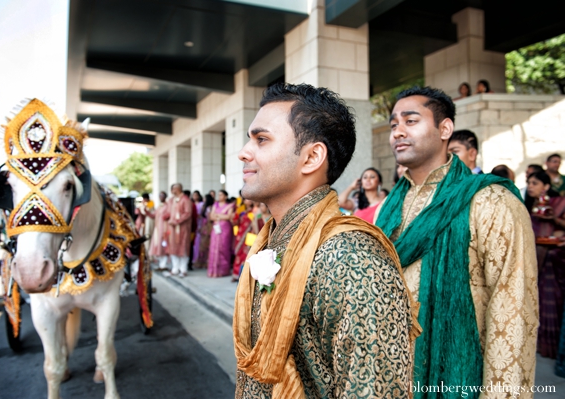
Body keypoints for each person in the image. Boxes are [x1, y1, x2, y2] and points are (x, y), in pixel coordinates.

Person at [234, 82, 416, 398]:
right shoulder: (271, 239)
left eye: (261, 139)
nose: (243, 152)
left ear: (312, 157)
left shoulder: (351, 255)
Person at [377, 86, 538, 395]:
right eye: (393, 124)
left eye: (410, 121)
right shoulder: (388, 208)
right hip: (390, 378)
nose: (397, 132)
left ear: (445, 128)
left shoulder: (490, 202)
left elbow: (513, 313)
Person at [526, 171, 565, 359]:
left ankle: (553, 347)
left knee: (552, 301)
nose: (530, 186)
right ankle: (540, 344)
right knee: (537, 302)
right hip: (535, 258)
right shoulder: (529, 205)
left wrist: (553, 220)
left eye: (535, 183)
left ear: (546, 186)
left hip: (554, 259)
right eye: (529, 182)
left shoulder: (559, 203)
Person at [231, 199, 263, 282]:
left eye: (249, 199)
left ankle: (244, 275)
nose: (247, 201)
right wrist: (236, 213)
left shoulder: (255, 210)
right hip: (240, 234)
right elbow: (235, 221)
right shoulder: (241, 210)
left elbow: (257, 222)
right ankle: (236, 274)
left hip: (249, 235)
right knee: (238, 254)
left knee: (246, 254)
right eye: (245, 199)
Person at [165, 183, 193, 277]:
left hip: (182, 228)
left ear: (178, 189)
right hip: (172, 229)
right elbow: (168, 212)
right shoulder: (171, 200)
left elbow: (188, 213)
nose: (172, 191)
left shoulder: (185, 200)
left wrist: (177, 221)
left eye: (173, 189)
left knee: (183, 247)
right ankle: (175, 269)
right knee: (173, 248)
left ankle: (183, 269)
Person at [207, 190, 235, 277]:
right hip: (216, 229)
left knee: (223, 248)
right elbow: (211, 216)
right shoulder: (215, 205)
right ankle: (213, 271)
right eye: (218, 195)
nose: (219, 197)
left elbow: (229, 216)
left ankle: (223, 270)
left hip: (225, 229)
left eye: (221, 195)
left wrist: (217, 215)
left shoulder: (230, 206)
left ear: (226, 196)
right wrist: (221, 216)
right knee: (214, 248)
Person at [148, 191, 171, 271]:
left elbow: (169, 214)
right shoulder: (159, 206)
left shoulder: (168, 205)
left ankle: (163, 264)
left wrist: (165, 216)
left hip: (164, 227)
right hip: (157, 228)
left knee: (163, 244)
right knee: (157, 245)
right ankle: (161, 264)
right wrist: (147, 212)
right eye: (159, 195)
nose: (160, 197)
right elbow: (154, 215)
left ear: (165, 197)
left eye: (162, 195)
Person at [193, 193, 214, 269]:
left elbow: (209, 219)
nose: (204, 200)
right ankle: (201, 261)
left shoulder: (211, 208)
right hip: (203, 228)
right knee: (202, 246)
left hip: (208, 228)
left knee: (207, 246)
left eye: (205, 198)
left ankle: (206, 262)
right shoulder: (204, 207)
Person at [191, 190, 204, 264]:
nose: (195, 197)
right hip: (193, 224)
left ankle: (198, 258)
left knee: (198, 241)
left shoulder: (201, 204)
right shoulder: (191, 204)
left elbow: (202, 215)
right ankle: (193, 258)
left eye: (196, 195)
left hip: (199, 224)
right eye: (194, 195)